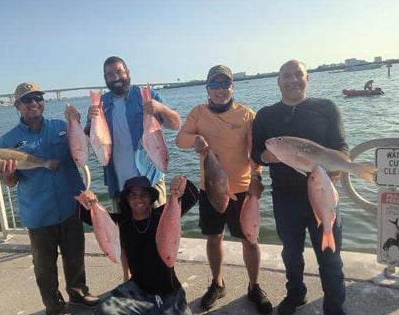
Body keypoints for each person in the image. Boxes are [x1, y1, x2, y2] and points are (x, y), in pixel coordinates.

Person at [251, 59, 348, 315]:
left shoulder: (327, 108)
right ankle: (296, 294)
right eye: (287, 75)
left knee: (330, 258)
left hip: (323, 194)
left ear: (308, 78)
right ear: (278, 81)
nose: (293, 80)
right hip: (285, 199)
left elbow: (341, 146)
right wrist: (268, 157)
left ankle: (335, 308)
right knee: (291, 254)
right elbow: (255, 154)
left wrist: (338, 170)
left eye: (298, 75)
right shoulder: (265, 115)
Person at [175, 65, 273, 314]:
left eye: (225, 84)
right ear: (207, 88)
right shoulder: (198, 112)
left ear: (233, 86)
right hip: (211, 189)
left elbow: (254, 151)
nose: (220, 90)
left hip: (241, 189)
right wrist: (195, 140)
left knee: (250, 239)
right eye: (215, 85)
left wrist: (257, 177)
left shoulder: (247, 115)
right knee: (213, 236)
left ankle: (254, 286)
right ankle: (217, 283)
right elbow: (180, 139)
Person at [0, 82, 98, 315]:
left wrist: (87, 122)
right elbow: (10, 182)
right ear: (17, 106)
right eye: (27, 100)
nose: (34, 103)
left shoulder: (62, 127)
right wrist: (8, 173)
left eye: (37, 98)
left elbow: (85, 146)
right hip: (38, 212)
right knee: (44, 267)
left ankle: (79, 294)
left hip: (71, 204)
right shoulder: (8, 141)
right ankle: (54, 306)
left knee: (75, 256)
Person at [79, 175, 198, 315]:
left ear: (150, 198)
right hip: (136, 290)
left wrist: (180, 183)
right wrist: (88, 201)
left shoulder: (163, 216)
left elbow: (192, 195)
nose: (139, 198)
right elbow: (85, 215)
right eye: (133, 195)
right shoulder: (121, 223)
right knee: (103, 310)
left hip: (170, 293)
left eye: (144, 194)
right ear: (127, 200)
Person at [84, 56, 181, 213]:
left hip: (150, 179)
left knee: (158, 230)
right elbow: (88, 138)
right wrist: (89, 121)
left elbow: (176, 124)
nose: (115, 78)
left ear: (127, 72)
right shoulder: (100, 103)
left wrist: (161, 108)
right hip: (118, 184)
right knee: (125, 232)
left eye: (119, 72)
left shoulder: (146, 94)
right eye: (110, 74)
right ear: (105, 78)